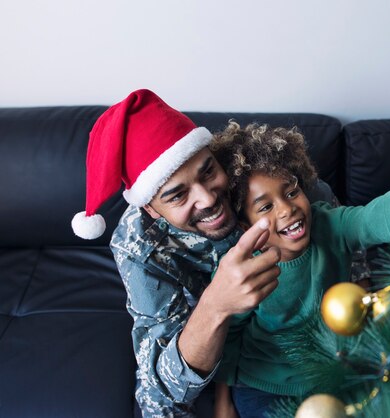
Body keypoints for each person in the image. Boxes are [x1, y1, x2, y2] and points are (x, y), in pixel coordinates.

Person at [71, 89, 284, 418]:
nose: (207, 199)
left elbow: (326, 210)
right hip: (236, 355)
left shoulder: (254, 165)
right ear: (151, 210)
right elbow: (161, 393)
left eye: (208, 172)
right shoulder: (139, 246)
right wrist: (216, 305)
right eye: (177, 195)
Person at [208, 121, 390, 417]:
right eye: (265, 207)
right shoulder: (240, 271)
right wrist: (222, 401)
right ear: (245, 225)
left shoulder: (331, 225)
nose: (287, 209)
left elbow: (374, 218)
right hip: (266, 387)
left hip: (335, 374)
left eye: (291, 192)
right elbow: (227, 336)